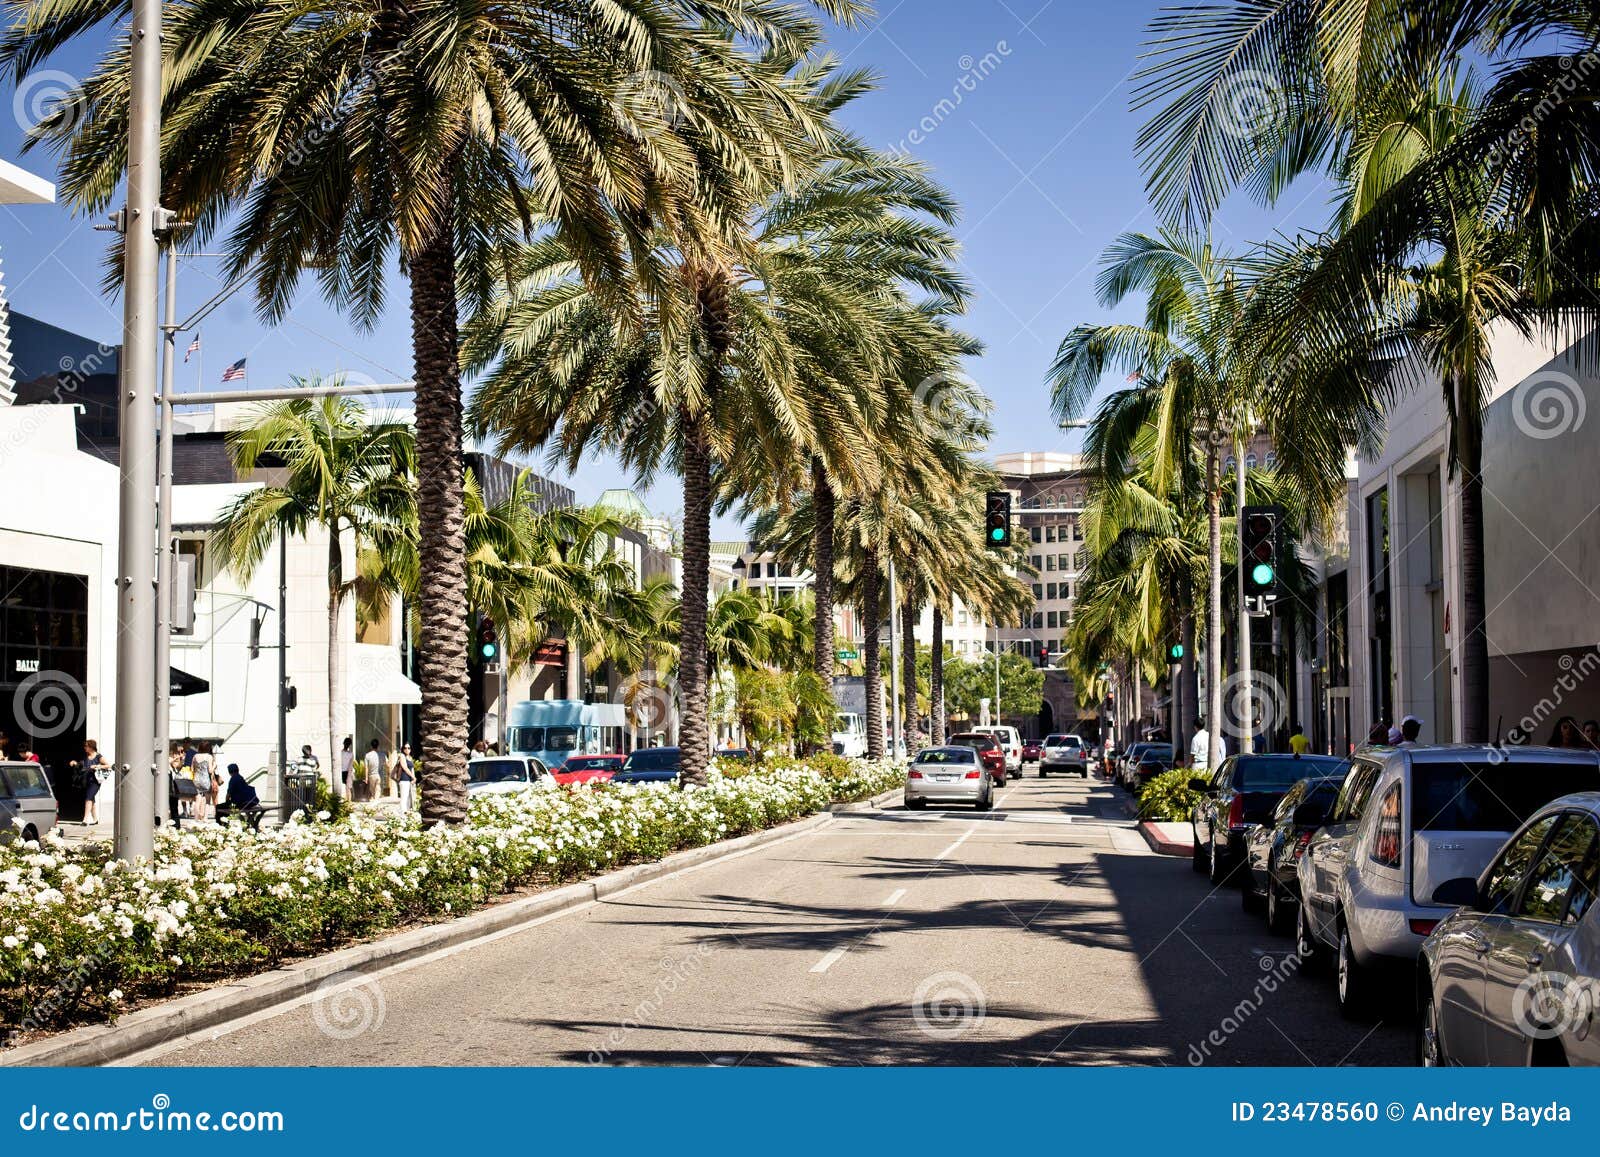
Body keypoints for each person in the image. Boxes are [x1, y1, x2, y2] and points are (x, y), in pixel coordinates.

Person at [72, 739, 110, 825]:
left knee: (88, 798)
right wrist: (74, 763)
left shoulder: (98, 756)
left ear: (91, 747)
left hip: (95, 782)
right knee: (91, 799)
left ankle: (85, 820)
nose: (85, 747)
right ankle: (95, 819)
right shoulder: (86, 756)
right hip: (86, 781)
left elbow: (108, 765)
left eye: (86, 746)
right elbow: (82, 766)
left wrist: (97, 766)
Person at [191, 741, 215, 823]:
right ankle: (205, 818)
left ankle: (196, 819)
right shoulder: (209, 757)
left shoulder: (195, 756)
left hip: (196, 780)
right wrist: (215, 765)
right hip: (206, 780)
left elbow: (192, 769)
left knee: (197, 800)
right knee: (207, 800)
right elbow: (210, 770)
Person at [390, 742, 416, 812]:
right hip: (404, 780)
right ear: (403, 749)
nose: (407, 749)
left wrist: (414, 779)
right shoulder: (401, 756)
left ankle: (407, 813)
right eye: (405, 748)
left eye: (408, 748)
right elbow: (404, 767)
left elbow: (412, 769)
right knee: (404, 798)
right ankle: (403, 814)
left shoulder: (410, 758)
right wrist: (413, 777)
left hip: (409, 781)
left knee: (409, 799)